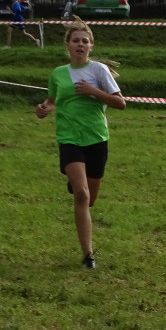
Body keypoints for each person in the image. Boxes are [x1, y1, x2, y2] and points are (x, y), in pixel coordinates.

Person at [35, 18, 125, 269]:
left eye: (85, 41)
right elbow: (52, 100)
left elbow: (120, 103)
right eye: (76, 40)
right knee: (82, 195)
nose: (80, 44)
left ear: (91, 46)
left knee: (89, 199)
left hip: (96, 138)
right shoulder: (58, 74)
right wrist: (44, 108)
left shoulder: (99, 72)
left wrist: (93, 91)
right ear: (67, 45)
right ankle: (88, 255)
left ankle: (76, 183)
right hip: (69, 138)